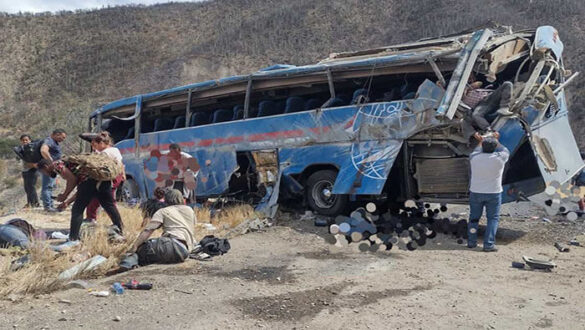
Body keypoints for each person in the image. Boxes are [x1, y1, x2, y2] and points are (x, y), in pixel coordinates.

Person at [37, 157, 123, 244]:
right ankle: (121, 230)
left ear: (46, 166)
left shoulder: (57, 165)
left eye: (43, 172)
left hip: (90, 182)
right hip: (103, 181)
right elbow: (81, 190)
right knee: (109, 206)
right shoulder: (74, 168)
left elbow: (73, 180)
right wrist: (67, 202)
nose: (45, 174)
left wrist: (65, 195)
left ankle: (73, 239)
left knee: (77, 210)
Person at [120, 189, 194, 269]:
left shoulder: (163, 211)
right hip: (184, 251)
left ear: (166, 199)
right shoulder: (190, 210)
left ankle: (126, 265)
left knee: (140, 251)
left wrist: (135, 247)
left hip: (170, 244)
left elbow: (148, 230)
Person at [467, 131, 509, 252]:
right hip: (494, 193)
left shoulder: (474, 158)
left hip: (476, 192)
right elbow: (504, 149)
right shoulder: (500, 158)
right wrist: (497, 139)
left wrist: (480, 140)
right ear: (495, 147)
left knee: (474, 219)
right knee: (492, 219)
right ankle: (488, 244)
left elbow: (476, 150)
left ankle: (471, 242)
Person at [81, 132, 125, 222]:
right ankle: (116, 222)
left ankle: (91, 217)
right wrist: (123, 174)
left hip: (108, 178)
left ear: (101, 143)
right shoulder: (115, 149)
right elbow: (121, 164)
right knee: (107, 200)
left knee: (100, 199)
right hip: (116, 176)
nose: (94, 147)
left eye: (95, 145)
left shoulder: (105, 153)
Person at [39, 129, 67, 212]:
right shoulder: (49, 140)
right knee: (47, 187)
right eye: (62, 137)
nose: (63, 139)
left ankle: (50, 205)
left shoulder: (53, 142)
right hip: (49, 168)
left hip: (52, 169)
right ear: (57, 134)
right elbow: (43, 150)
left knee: (50, 186)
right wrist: (51, 162)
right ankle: (48, 207)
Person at [19, 134, 40, 208]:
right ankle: (29, 203)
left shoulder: (33, 148)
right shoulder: (22, 149)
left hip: (32, 169)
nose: (25, 141)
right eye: (23, 140)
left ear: (30, 140)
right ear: (21, 141)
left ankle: (35, 203)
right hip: (25, 170)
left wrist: (34, 164)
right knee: (27, 187)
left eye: (26, 140)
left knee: (31, 187)